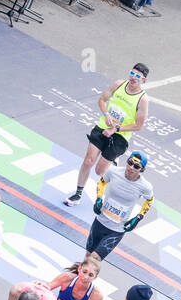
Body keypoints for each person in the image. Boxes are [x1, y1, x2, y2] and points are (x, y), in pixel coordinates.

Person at [65, 64, 149, 206]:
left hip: (120, 136)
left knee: (99, 171)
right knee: (88, 161)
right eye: (132, 74)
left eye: (138, 76)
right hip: (103, 127)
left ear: (144, 80)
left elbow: (138, 125)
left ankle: (113, 164)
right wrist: (106, 114)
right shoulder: (118, 84)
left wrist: (116, 128)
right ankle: (78, 194)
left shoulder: (142, 99)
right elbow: (102, 100)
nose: (134, 78)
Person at [87, 151, 154, 260]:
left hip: (117, 230)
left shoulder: (145, 187)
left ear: (142, 170)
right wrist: (99, 198)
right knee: (87, 257)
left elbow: (150, 200)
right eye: (130, 163)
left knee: (94, 259)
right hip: (100, 221)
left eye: (136, 166)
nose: (131, 167)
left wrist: (138, 217)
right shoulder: (113, 171)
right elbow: (102, 182)